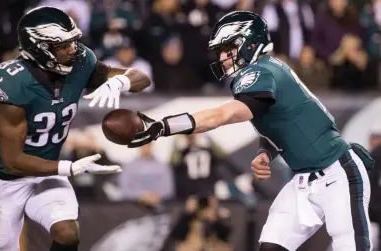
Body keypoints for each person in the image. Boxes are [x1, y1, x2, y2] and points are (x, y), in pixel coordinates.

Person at [129, 11, 374, 251]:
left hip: (337, 173)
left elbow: (219, 116)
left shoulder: (262, 72)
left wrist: (163, 126)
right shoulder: (266, 70)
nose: (223, 57)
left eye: (228, 48)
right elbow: (278, 119)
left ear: (249, 43)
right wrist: (266, 152)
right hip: (302, 181)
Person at [0, 6, 150, 251]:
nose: (73, 50)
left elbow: (142, 78)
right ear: (39, 48)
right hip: (5, 180)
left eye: (72, 42)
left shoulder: (81, 61)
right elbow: (12, 161)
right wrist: (68, 167)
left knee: (67, 232)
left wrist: (121, 81)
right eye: (63, 45)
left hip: (47, 174)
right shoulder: (13, 82)